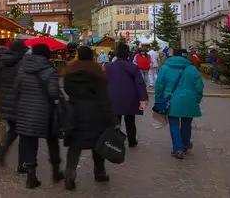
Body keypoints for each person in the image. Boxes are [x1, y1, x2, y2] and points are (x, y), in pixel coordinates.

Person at [62, 46, 114, 190]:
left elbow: (67, 89)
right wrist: (110, 117)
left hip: (74, 111)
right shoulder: (97, 72)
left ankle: (69, 176)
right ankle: (99, 173)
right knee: (98, 145)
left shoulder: (70, 71)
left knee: (74, 146)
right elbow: (103, 98)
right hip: (95, 113)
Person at [15, 43, 62, 189]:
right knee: (52, 140)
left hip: (25, 111)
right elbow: (54, 93)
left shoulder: (23, 69)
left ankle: (31, 176)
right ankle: (56, 171)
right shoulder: (50, 70)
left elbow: (16, 89)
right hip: (45, 112)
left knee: (29, 142)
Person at [154, 48, 204, 159]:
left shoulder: (165, 68)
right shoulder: (192, 69)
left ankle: (178, 149)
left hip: (170, 100)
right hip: (189, 100)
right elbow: (199, 87)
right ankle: (185, 144)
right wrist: (197, 100)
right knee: (186, 123)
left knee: (174, 124)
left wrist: (159, 99)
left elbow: (159, 86)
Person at [105, 43, 148, 147]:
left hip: (113, 96)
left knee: (116, 121)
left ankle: (115, 141)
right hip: (130, 97)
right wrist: (143, 97)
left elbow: (104, 81)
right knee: (130, 121)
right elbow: (140, 83)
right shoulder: (133, 67)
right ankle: (132, 141)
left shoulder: (109, 66)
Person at [0, 39, 27, 168]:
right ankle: (22, 163)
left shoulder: (3, 62)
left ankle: (2, 149)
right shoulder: (22, 63)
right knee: (25, 134)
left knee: (13, 130)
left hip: (5, 100)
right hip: (20, 102)